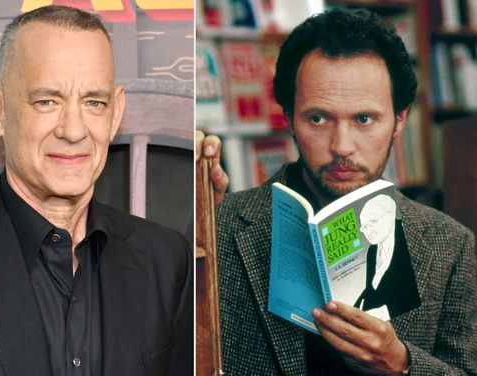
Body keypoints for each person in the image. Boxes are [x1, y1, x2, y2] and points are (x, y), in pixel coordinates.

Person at [0, 5, 192, 376]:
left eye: (94, 102)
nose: (73, 130)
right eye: (47, 101)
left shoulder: (167, 260)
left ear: (116, 112)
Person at [197, 8, 475, 376]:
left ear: (399, 120)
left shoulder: (451, 247)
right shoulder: (217, 225)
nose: (342, 146)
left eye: (364, 119)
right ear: (288, 117)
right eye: (318, 118)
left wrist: (403, 365)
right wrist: (191, 235)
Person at [354, 194, 420, 321]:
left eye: (373, 222)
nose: (369, 231)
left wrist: (385, 312)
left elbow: (410, 293)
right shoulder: (372, 251)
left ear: (390, 215)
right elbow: (371, 290)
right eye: (365, 227)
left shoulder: (407, 239)